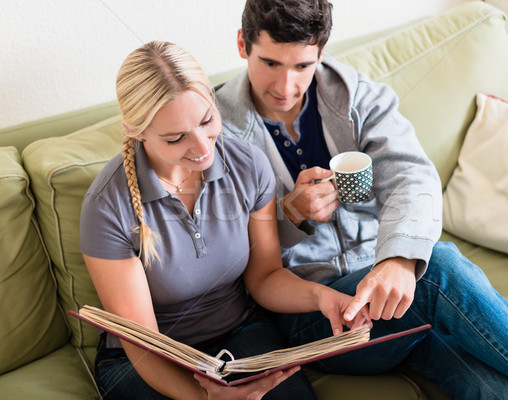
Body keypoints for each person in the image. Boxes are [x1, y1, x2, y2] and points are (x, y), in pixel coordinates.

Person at [215, 0, 508, 398]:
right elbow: (222, 246)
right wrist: (288, 215)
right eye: (271, 64)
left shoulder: (357, 96)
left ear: (321, 53)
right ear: (243, 44)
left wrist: (398, 259)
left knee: (497, 391)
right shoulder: (215, 131)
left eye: (302, 66)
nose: (286, 87)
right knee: (440, 268)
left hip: (395, 300)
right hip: (319, 318)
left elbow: (412, 177)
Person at [79, 40, 370, 400]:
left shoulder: (248, 164)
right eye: (175, 138)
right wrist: (206, 398)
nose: (203, 148)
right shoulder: (107, 206)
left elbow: (264, 277)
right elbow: (143, 346)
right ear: (135, 131)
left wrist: (324, 298)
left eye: (206, 121)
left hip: (240, 334)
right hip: (148, 358)